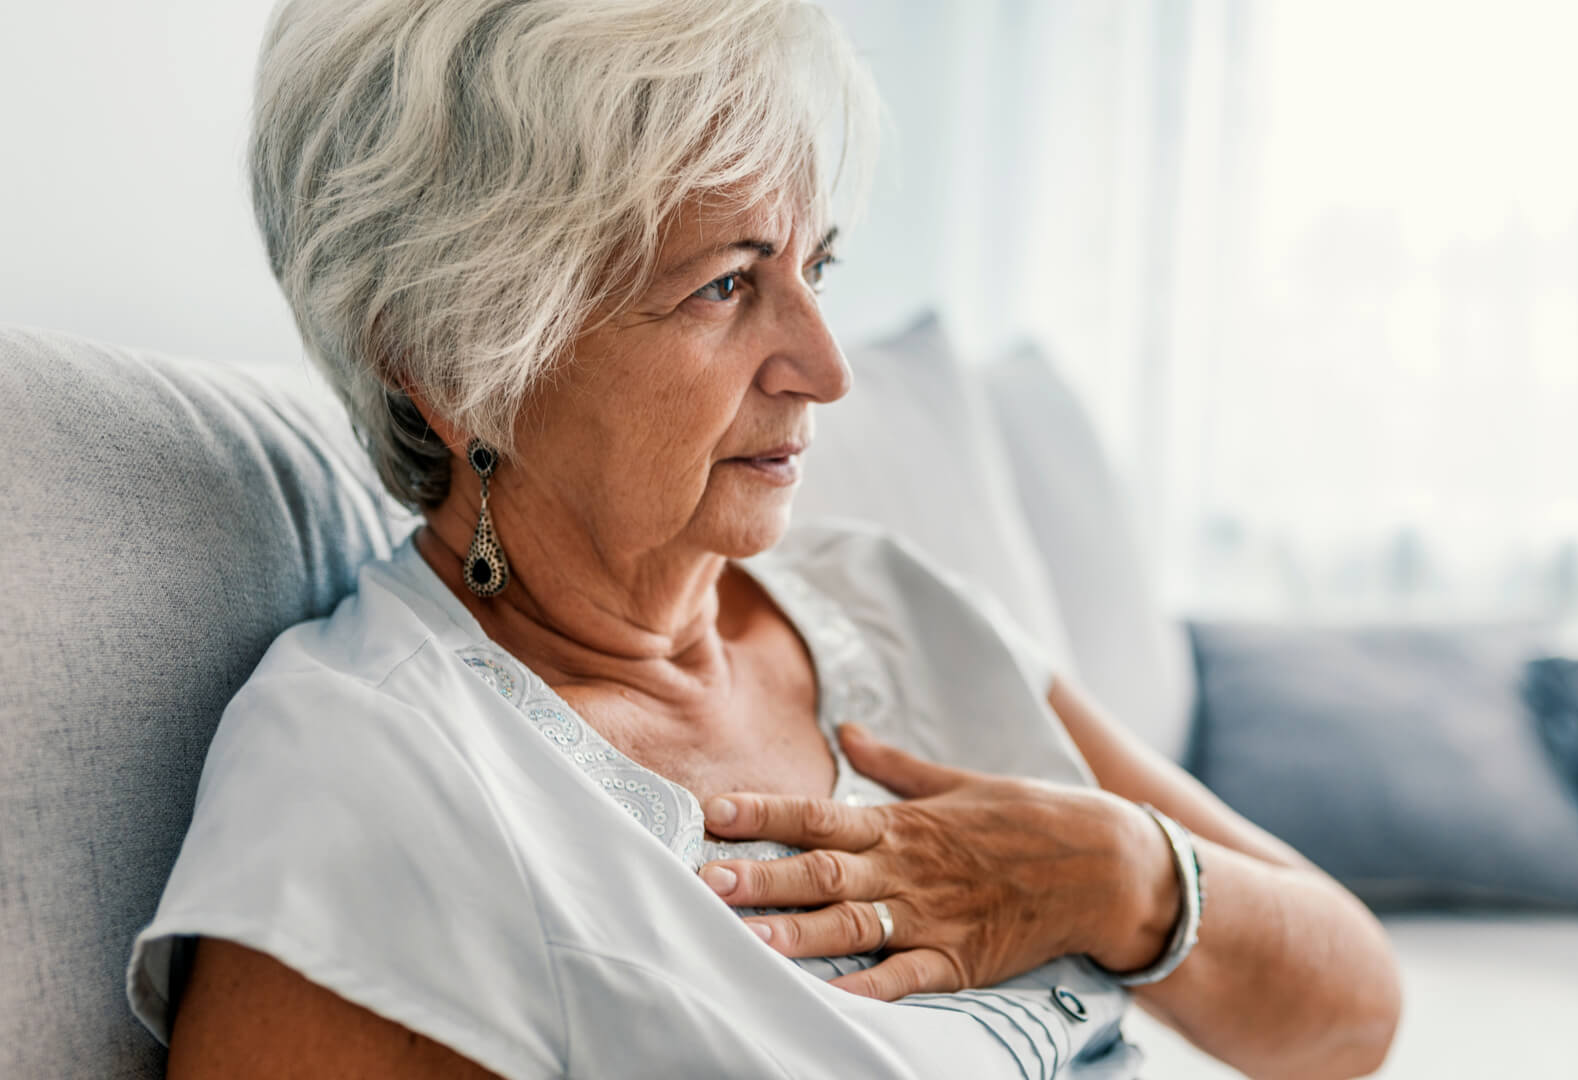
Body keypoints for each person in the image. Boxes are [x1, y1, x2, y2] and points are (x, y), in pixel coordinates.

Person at [126, 1, 1402, 1076]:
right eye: (727, 283)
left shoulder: (889, 605)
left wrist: (1114, 875)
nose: (828, 368)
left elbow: (1354, 1013)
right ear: (456, 367)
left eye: (817, 267)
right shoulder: (377, 788)